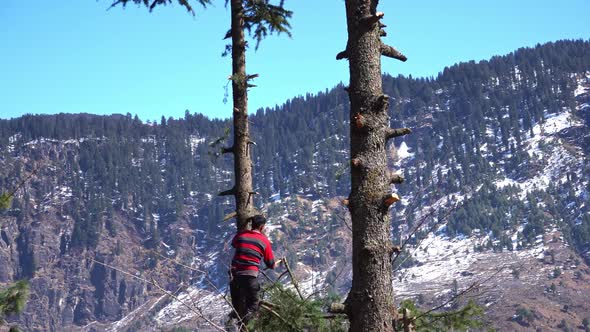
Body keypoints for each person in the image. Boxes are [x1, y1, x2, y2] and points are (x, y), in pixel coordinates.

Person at [229, 214, 276, 324]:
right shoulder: (264, 241)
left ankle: (238, 317)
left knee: (237, 304)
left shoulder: (241, 235)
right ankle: (246, 324)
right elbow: (270, 263)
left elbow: (234, 244)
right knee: (254, 305)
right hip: (250, 276)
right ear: (262, 227)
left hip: (235, 276)